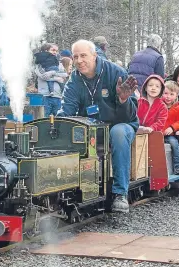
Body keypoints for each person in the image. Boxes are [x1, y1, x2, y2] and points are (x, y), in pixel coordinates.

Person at [57, 40, 138, 213]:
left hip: (120, 125)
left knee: (118, 132)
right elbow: (67, 111)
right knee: (71, 133)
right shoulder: (74, 81)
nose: (79, 60)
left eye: (84, 55)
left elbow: (131, 115)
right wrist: (56, 126)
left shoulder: (116, 73)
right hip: (91, 129)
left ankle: (120, 193)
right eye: (76, 57)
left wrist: (123, 100)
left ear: (95, 55)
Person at [162, 81, 179, 175]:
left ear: (176, 95)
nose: (168, 96)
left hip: (170, 134)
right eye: (165, 93)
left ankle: (177, 166)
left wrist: (172, 128)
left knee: (174, 143)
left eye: (171, 94)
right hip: (159, 133)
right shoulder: (158, 106)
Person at [35, 43, 68, 117]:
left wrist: (52, 72)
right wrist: (56, 78)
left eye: (56, 50)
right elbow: (43, 76)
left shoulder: (58, 63)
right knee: (44, 119)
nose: (55, 52)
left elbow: (64, 74)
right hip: (45, 96)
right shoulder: (39, 63)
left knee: (59, 120)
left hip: (58, 96)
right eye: (53, 50)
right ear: (46, 50)